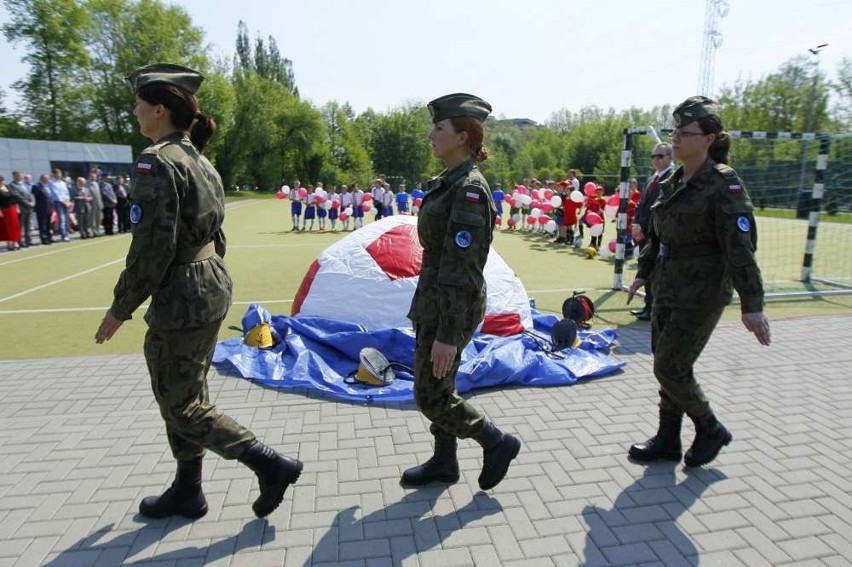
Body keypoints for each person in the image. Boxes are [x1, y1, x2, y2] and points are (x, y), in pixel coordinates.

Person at [95, 63, 302, 520]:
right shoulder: (199, 159)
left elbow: (151, 248)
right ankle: (188, 490)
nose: (134, 112)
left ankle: (269, 464)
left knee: (180, 402)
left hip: (183, 293)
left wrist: (120, 308)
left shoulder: (158, 162)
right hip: (208, 283)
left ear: (158, 109)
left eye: (138, 104)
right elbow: (216, 232)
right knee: (189, 392)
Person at [626, 96, 771, 468]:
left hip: (702, 292)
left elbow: (740, 248)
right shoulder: (674, 180)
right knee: (666, 362)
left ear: (708, 138)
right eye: (674, 130)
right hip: (667, 286)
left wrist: (752, 304)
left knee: (670, 367)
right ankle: (668, 438)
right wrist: (643, 272)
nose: (675, 138)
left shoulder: (723, 184)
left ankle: (710, 428)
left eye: (684, 132)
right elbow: (659, 236)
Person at [403, 93, 521, 490]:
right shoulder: (449, 182)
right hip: (435, 296)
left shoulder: (468, 189)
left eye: (439, 129)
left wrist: (449, 335)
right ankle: (444, 462)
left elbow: (463, 268)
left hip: (450, 303)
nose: (431, 135)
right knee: (441, 387)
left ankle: (496, 441)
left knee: (430, 396)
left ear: (463, 137)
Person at [630, 143, 674, 320]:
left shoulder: (672, 179)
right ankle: (648, 305)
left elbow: (660, 208)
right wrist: (635, 225)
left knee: (656, 273)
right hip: (644, 234)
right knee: (645, 270)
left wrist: (644, 226)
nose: (656, 159)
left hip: (657, 234)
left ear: (670, 157)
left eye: (660, 156)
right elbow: (642, 205)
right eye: (653, 156)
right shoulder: (651, 179)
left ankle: (655, 308)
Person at [31, 173, 54, 244]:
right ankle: (44, 238)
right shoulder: (36, 186)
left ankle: (49, 237)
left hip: (49, 207)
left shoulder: (48, 186)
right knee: (42, 224)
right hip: (41, 208)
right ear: (42, 178)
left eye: (48, 178)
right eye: (46, 178)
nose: (48, 180)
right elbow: (34, 197)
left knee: (48, 224)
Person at [0, 176, 21, 251]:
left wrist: (17, 207)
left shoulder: (8, 187)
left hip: (13, 208)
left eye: (2, 180)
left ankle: (15, 242)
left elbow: (15, 197)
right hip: (4, 209)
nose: (2, 182)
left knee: (15, 225)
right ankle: (9, 243)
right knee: (7, 227)